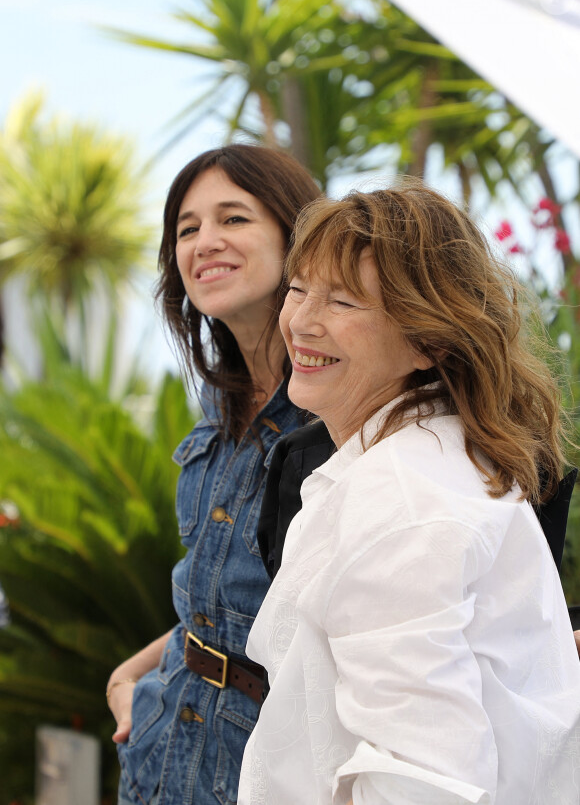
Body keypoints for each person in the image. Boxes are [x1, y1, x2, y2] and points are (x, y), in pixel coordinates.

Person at [238, 182, 580, 804]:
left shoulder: (401, 501)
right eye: (298, 288)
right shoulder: (425, 461)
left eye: (342, 301)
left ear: (430, 341)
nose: (302, 321)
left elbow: (423, 783)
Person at [106, 143, 321, 805]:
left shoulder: (340, 412)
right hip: (164, 747)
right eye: (187, 228)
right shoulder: (218, 405)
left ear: (295, 234)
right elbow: (221, 603)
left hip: (265, 767)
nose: (205, 242)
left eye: (233, 218)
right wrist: (131, 675)